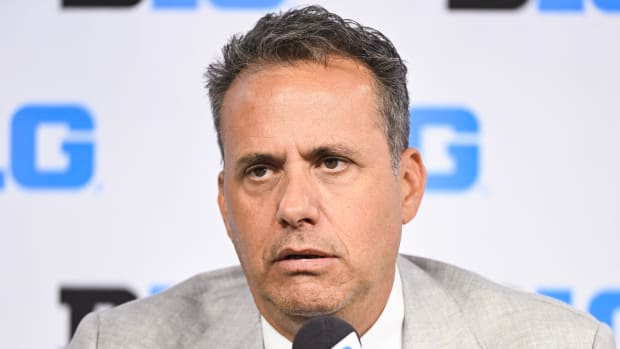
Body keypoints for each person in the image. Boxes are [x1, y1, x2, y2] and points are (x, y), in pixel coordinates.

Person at [69, 5, 616, 349]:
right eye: (260, 170)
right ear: (224, 206)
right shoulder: (116, 343)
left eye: (331, 162)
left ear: (406, 186)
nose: (294, 206)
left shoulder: (561, 344)